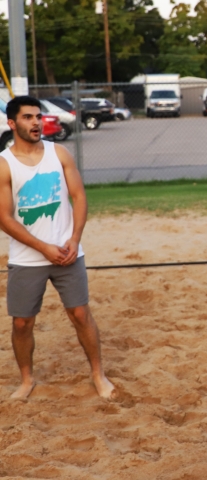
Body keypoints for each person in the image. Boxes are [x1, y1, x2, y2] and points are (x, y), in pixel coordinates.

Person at [0, 96, 115, 400]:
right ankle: (27, 380)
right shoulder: (4, 164)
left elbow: (79, 197)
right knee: (22, 323)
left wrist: (74, 240)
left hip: (67, 253)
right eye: (27, 117)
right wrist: (43, 248)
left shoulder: (59, 153)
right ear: (12, 123)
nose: (36, 122)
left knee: (80, 314)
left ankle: (98, 375)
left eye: (38, 116)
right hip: (27, 258)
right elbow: (4, 219)